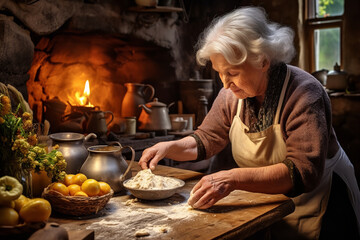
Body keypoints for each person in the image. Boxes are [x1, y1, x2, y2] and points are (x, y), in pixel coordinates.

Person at [139, 6, 360, 239]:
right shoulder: (232, 95)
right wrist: (169, 148)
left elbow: (303, 172)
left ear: (262, 60)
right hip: (272, 203)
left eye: (232, 73)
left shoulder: (305, 94)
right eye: (219, 73)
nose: (225, 84)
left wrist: (231, 178)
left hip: (322, 205)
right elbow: (207, 139)